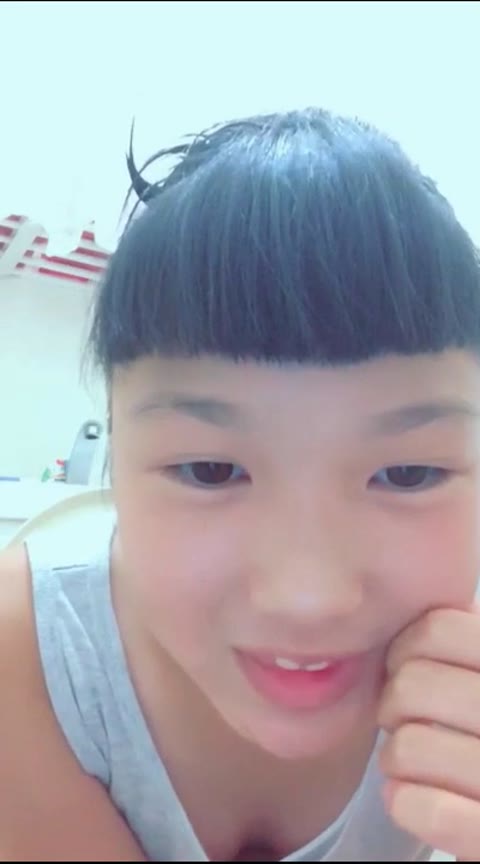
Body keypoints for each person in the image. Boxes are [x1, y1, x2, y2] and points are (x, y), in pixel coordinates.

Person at [1, 106, 480, 863]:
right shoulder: (31, 648)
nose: (308, 598)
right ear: (116, 450)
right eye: (211, 470)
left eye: (408, 473)